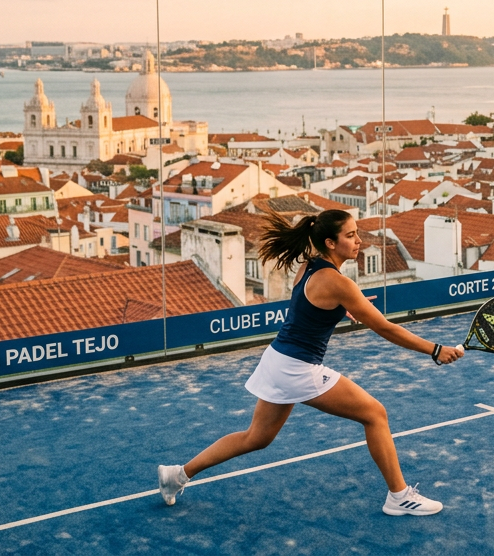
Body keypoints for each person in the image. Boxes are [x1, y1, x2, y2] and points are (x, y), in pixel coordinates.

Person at [157, 210, 464, 515]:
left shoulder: (309, 266)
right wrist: (435, 349)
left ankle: (177, 475)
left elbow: (310, 305)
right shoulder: (338, 283)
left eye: (357, 233)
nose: (358, 241)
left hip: (277, 360)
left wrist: (338, 309)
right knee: (375, 414)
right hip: (298, 368)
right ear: (330, 242)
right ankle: (399, 496)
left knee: (256, 438)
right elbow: (385, 328)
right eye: (350, 235)